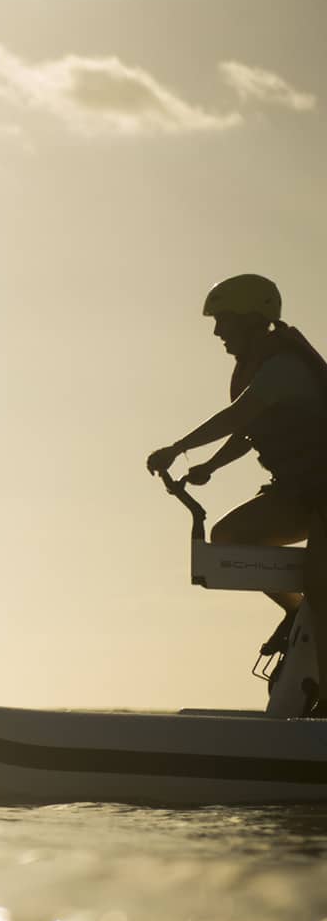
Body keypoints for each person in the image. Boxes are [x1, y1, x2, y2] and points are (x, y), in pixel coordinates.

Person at [146, 273, 327, 713]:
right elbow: (249, 431)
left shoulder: (284, 367)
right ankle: (297, 611)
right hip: (304, 494)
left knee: (323, 587)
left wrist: (179, 448)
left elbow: (236, 416)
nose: (217, 332)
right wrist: (208, 466)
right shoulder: (263, 366)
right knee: (230, 539)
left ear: (251, 319)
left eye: (224, 321)